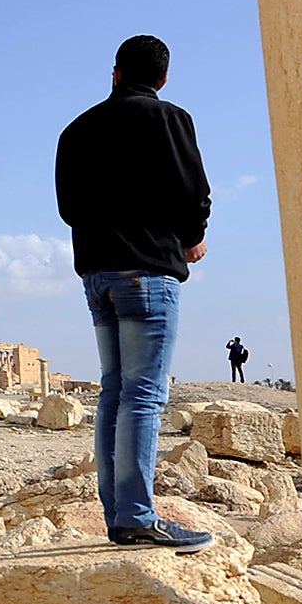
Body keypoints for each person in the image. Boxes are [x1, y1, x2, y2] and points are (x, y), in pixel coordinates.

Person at [56, 34, 213, 552]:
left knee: (115, 392)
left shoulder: (76, 130)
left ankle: (118, 513)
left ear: (116, 73)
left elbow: (69, 209)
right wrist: (191, 238)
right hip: (148, 273)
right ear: (163, 80)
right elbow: (194, 191)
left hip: (97, 276)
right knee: (143, 396)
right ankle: (137, 517)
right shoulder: (169, 119)